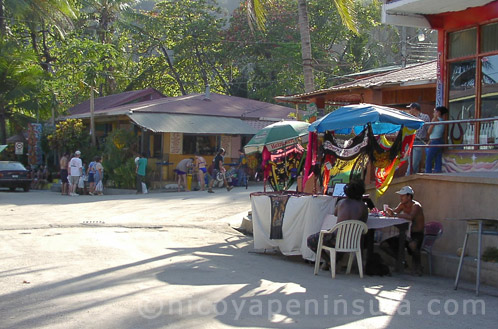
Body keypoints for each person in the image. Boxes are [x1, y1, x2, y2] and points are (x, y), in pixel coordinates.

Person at [306, 180, 368, 261]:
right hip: (353, 241)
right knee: (341, 239)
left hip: (336, 239)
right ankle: (333, 261)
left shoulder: (341, 203)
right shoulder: (363, 207)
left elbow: (335, 214)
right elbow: (364, 221)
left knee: (310, 240)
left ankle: (329, 261)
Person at [382, 186, 425, 275]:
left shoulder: (416, 206)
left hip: (416, 234)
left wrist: (396, 214)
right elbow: (394, 212)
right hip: (405, 233)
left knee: (413, 246)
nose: (401, 198)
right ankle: (402, 261)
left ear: (409, 197)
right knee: (384, 245)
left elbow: (410, 217)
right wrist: (389, 212)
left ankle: (418, 267)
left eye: (403, 196)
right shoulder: (402, 205)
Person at [405, 103, 430, 175]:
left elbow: (428, 129)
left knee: (414, 163)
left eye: (410, 108)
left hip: (419, 141)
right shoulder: (409, 118)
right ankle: (411, 178)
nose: (410, 110)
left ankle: (406, 177)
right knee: (411, 163)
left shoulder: (424, 117)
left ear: (414, 108)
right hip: (410, 142)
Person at [425, 106, 448, 173]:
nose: (433, 113)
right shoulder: (443, 121)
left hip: (434, 141)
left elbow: (429, 131)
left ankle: (428, 171)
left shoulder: (435, 120)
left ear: (438, 112)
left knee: (429, 158)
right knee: (438, 157)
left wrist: (433, 120)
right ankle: (438, 170)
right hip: (440, 140)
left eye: (435, 111)